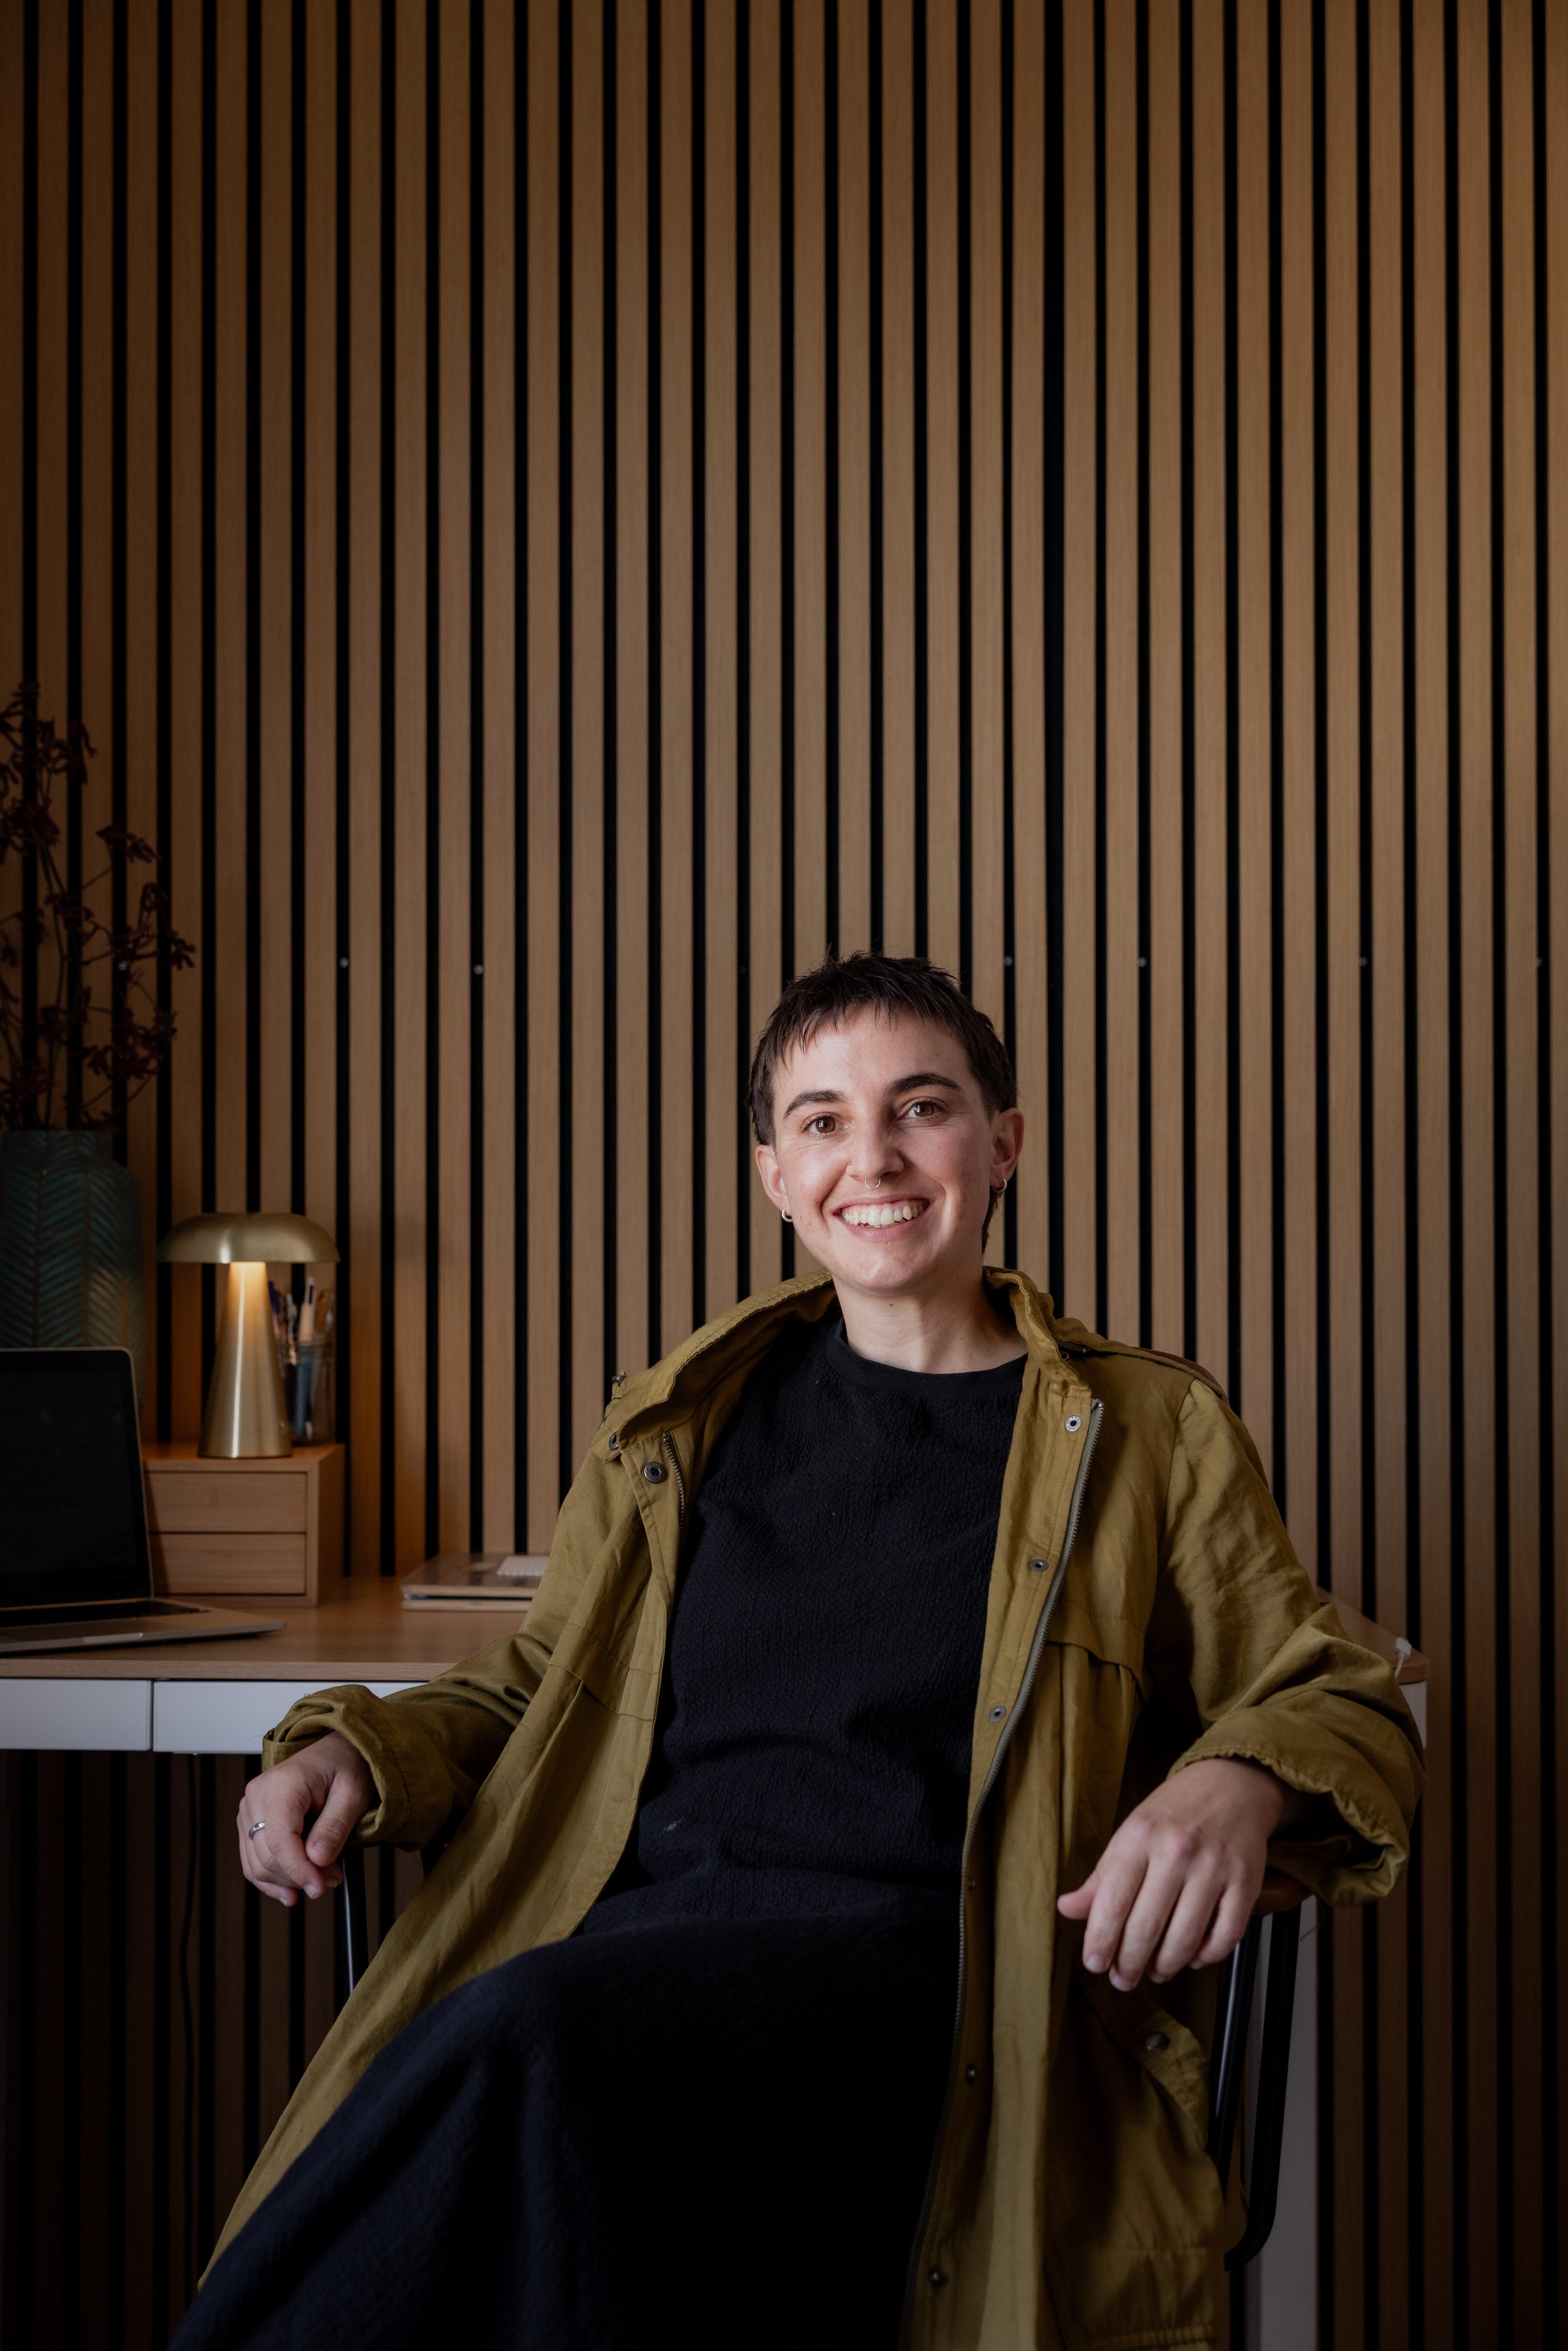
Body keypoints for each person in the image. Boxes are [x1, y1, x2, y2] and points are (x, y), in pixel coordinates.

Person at [176, 952, 1422, 2351]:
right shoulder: (683, 1417)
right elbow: (536, 1687)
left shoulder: (1147, 1431)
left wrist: (1239, 1780)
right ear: (775, 1174)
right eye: (823, 1121)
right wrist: (351, 1747)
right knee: (525, 2085)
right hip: (646, 1948)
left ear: (1003, 1144)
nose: (872, 1157)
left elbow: (1335, 1691)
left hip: (926, 1987)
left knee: (522, 2044)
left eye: (920, 1108)